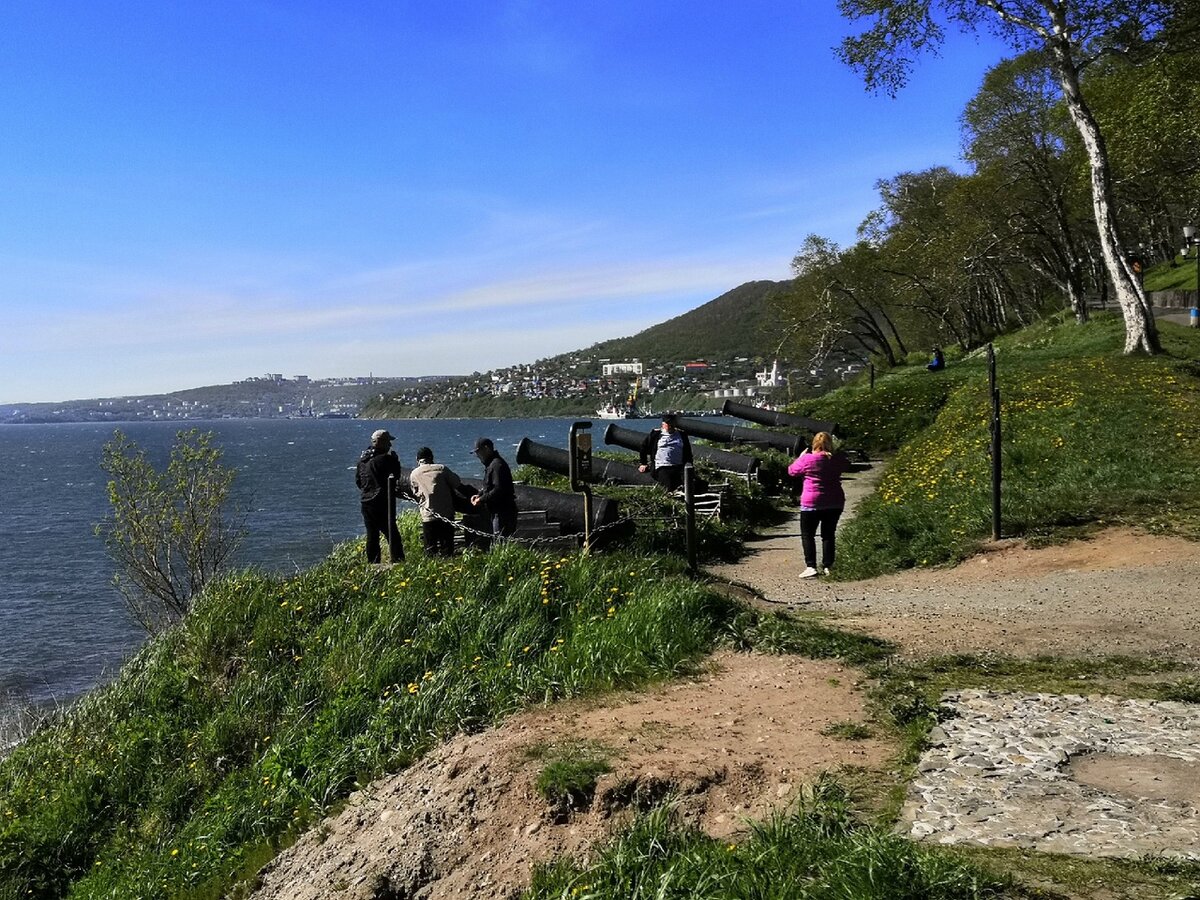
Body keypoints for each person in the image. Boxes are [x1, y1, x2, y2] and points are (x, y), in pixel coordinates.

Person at [787, 431, 851, 578]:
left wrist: (800, 457)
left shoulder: (807, 459)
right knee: (828, 535)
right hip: (835, 501)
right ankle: (828, 566)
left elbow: (792, 471)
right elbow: (846, 464)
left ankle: (811, 566)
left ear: (814, 444)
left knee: (808, 535)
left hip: (811, 502)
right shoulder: (835, 459)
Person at [409, 446, 472, 557]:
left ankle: (432, 568)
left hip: (428, 514)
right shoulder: (441, 469)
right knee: (447, 547)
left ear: (417, 459)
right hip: (446, 513)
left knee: (430, 548)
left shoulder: (414, 474)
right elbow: (457, 483)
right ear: (431, 457)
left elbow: (415, 492)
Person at [355, 429, 406, 564]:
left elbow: (359, 482)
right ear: (383, 443)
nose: (390, 445)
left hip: (366, 501)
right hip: (382, 501)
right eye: (388, 442)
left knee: (372, 535)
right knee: (391, 533)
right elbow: (395, 476)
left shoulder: (363, 460)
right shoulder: (385, 459)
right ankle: (398, 560)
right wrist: (395, 461)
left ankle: (373, 563)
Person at [469, 437, 518, 539]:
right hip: (497, 511)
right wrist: (480, 494)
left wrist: (481, 499)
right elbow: (490, 486)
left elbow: (498, 489)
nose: (477, 455)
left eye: (479, 452)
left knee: (501, 540)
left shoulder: (496, 465)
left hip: (502, 511)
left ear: (486, 449)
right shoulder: (492, 464)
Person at [638, 413, 693, 491]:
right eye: (668, 423)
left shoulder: (682, 435)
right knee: (669, 484)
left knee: (692, 483)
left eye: (672, 423)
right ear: (663, 424)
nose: (670, 426)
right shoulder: (656, 435)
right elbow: (644, 447)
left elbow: (688, 452)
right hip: (662, 467)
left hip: (679, 466)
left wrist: (690, 465)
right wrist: (643, 463)